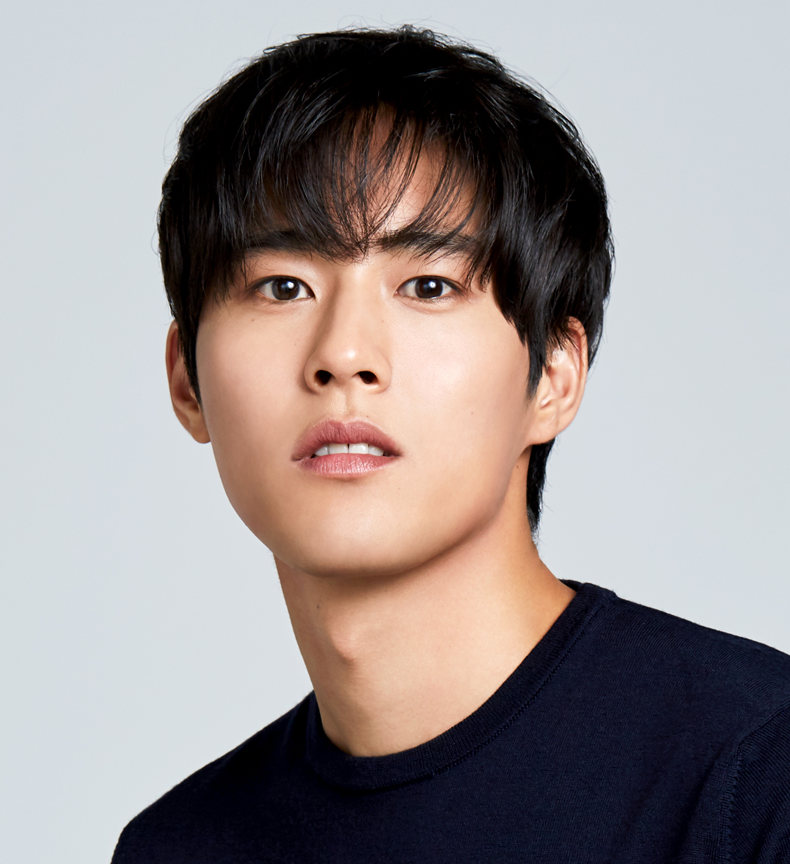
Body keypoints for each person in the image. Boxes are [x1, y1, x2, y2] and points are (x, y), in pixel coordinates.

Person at [112, 26, 790, 863]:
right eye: (283, 286)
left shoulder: (758, 777)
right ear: (187, 382)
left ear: (553, 378)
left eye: (427, 286)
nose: (344, 354)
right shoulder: (178, 847)